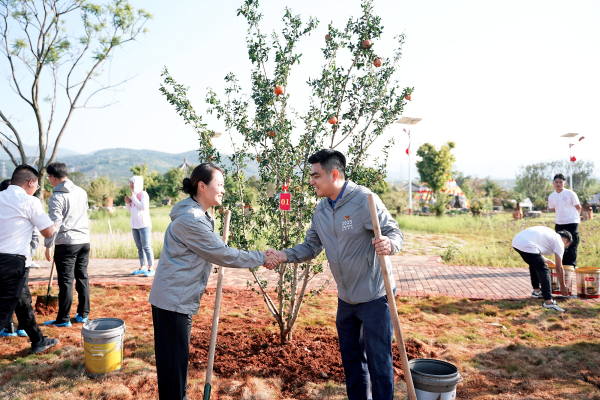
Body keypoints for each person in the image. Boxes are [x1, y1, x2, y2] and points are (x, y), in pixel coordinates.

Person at [266, 149, 404, 400]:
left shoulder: (365, 200)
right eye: (311, 176)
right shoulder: (320, 210)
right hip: (346, 299)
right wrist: (283, 255)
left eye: (316, 175)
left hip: (375, 296)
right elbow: (311, 246)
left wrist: (389, 244)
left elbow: (394, 232)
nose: (311, 181)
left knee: (379, 363)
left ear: (335, 174)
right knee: (351, 362)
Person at [148, 163, 279, 400]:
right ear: (202, 186)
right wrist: (262, 257)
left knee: (172, 365)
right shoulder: (192, 219)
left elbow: (216, 251)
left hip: (173, 297)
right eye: (219, 184)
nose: (223, 190)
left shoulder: (199, 214)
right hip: (172, 301)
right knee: (173, 367)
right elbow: (223, 254)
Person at [0, 165, 59, 353]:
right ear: (30, 182)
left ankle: (38, 340)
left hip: (12, 262)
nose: (37, 190)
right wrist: (53, 226)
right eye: (37, 186)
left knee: (23, 302)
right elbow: (47, 231)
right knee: (3, 312)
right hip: (12, 263)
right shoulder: (29, 201)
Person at [43, 162, 91, 327]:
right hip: (84, 241)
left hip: (67, 243)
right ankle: (83, 314)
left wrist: (48, 245)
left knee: (66, 281)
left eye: (48, 177)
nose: (49, 179)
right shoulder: (81, 191)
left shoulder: (57, 197)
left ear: (53, 178)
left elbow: (54, 223)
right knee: (82, 277)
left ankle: (63, 319)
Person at [512, 226, 572, 312]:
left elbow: (534, 246)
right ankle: (548, 302)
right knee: (544, 270)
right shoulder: (559, 241)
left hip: (516, 242)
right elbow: (559, 268)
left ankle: (537, 291)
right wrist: (563, 287)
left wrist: (545, 259)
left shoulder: (551, 234)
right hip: (526, 244)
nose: (565, 248)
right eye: (567, 246)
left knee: (534, 264)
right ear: (565, 240)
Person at [548, 173, 580, 267]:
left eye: (560, 182)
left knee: (572, 244)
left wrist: (573, 217)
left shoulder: (570, 193)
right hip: (560, 223)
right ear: (553, 183)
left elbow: (578, 207)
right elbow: (554, 209)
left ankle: (571, 265)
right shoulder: (551, 196)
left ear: (564, 183)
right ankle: (562, 265)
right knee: (560, 244)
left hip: (572, 222)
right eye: (556, 182)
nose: (558, 184)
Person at [125, 176, 155, 277]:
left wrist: (133, 198)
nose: (131, 185)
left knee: (146, 246)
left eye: (132, 183)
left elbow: (143, 206)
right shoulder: (133, 195)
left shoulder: (143, 194)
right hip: (134, 225)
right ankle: (143, 266)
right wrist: (128, 203)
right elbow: (131, 210)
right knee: (139, 247)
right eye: (130, 183)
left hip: (144, 225)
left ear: (137, 183)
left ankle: (151, 267)